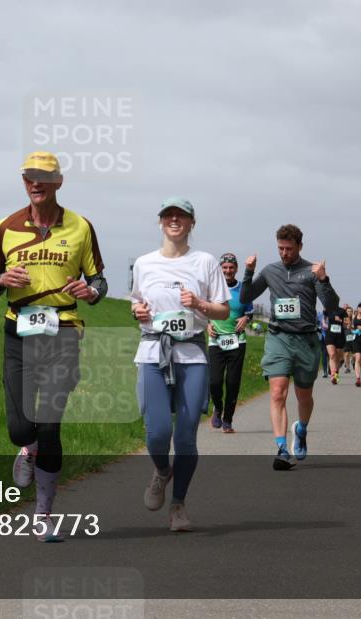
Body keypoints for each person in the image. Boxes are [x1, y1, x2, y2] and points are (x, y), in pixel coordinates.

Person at [0, 151, 107, 542]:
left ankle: (43, 514)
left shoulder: (81, 226)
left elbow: (99, 281)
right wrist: (2, 281)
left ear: (58, 182)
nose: (36, 183)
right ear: (24, 182)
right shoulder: (5, 227)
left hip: (63, 332)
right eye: (29, 177)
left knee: (50, 426)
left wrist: (90, 292)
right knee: (21, 429)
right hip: (18, 334)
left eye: (44, 177)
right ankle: (27, 447)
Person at [132, 198, 230, 531]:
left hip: (191, 355)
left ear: (192, 222)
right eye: (168, 215)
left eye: (181, 216)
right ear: (161, 222)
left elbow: (223, 310)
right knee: (158, 432)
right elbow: (137, 302)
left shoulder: (205, 262)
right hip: (152, 353)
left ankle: (178, 505)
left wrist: (200, 304)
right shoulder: (144, 263)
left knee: (186, 437)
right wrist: (137, 312)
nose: (174, 220)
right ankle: (162, 471)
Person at [240, 224, 339, 470]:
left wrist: (324, 279)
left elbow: (331, 306)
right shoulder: (270, 271)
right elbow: (245, 298)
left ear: (300, 247)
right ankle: (282, 449)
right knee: (277, 392)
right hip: (278, 337)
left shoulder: (311, 272)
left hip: (306, 340)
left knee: (304, 396)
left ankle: (301, 430)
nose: (284, 253)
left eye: (289, 249)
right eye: (280, 248)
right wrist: (248, 272)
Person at [207, 253, 254, 433]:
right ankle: (218, 408)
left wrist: (246, 318)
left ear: (236, 269)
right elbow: (204, 310)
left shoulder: (243, 289)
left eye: (231, 267)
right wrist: (207, 325)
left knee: (233, 383)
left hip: (237, 341)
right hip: (216, 341)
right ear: (220, 269)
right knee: (215, 382)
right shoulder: (212, 288)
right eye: (225, 267)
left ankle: (228, 420)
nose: (228, 271)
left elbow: (249, 311)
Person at [324, 303, 349, 384]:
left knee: (337, 357)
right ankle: (333, 375)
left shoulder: (342, 311)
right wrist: (324, 323)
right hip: (330, 335)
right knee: (332, 355)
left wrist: (340, 320)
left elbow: (348, 322)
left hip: (339, 336)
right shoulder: (328, 309)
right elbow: (324, 317)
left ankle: (336, 374)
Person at [343, 305, 356, 373]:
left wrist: (352, 323)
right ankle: (347, 368)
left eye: (351, 311)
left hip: (354, 338)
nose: (349, 312)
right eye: (348, 311)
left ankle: (353, 361)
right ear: (346, 312)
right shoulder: (344, 319)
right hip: (346, 338)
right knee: (346, 354)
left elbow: (356, 326)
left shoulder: (355, 319)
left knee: (354, 355)